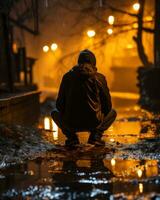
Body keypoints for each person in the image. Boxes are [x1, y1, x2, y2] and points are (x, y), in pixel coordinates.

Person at [51, 49, 117, 146]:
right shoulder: (100, 78)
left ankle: (72, 138)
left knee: (54, 113)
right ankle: (95, 136)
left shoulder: (67, 77)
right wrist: (99, 114)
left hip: (71, 122)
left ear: (79, 62)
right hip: (94, 122)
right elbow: (108, 105)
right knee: (113, 112)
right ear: (93, 63)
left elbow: (59, 105)